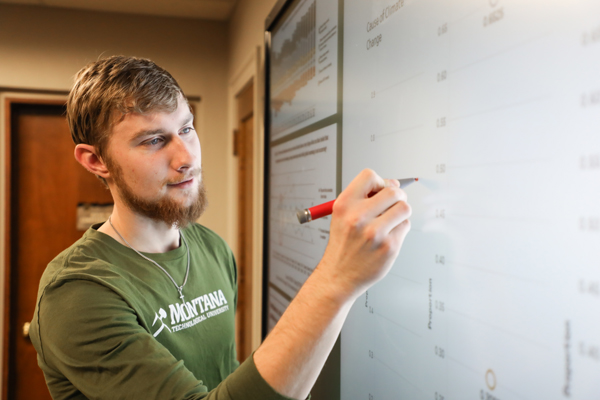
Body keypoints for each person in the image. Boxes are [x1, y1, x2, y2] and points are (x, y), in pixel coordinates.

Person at [29, 56, 412, 400]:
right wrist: (337, 278)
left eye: (187, 129)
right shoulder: (78, 292)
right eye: (154, 140)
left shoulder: (211, 247)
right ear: (96, 160)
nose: (187, 157)